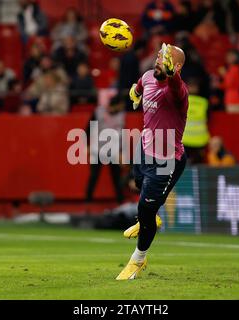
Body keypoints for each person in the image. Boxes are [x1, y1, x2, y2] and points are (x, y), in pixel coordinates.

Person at [116, 43, 188, 280]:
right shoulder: (148, 77)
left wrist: (173, 75)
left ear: (175, 66)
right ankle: (149, 217)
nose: (159, 60)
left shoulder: (178, 92)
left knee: (145, 212)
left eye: (165, 58)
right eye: (159, 55)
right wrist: (134, 92)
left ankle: (137, 260)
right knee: (136, 182)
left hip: (167, 159)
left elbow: (176, 87)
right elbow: (139, 85)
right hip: (144, 147)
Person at [85, 95, 126, 204]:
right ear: (116, 105)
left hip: (114, 151)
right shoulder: (99, 112)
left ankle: (120, 202)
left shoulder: (121, 116)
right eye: (121, 105)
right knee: (94, 176)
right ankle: (87, 201)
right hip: (98, 149)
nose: (123, 107)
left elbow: (122, 135)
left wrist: (121, 152)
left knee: (117, 177)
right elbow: (88, 128)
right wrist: (87, 145)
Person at [182, 78, 210, 164]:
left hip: (185, 139)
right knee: (198, 168)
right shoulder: (204, 102)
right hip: (199, 140)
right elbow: (208, 118)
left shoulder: (181, 100)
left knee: (183, 167)